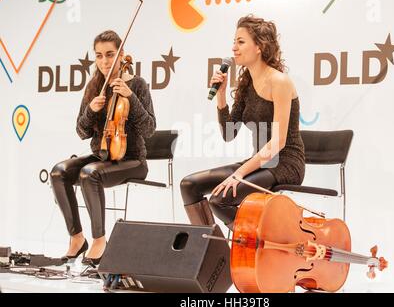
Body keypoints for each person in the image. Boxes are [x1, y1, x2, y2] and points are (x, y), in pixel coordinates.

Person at [180, 15, 305, 229]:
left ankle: (258, 247)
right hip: (260, 162)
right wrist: (220, 96)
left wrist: (239, 174)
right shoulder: (246, 83)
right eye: (234, 41)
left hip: (284, 163)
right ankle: (213, 254)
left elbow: (278, 142)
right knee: (189, 185)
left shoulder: (279, 81)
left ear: (259, 46)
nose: (234, 48)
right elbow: (229, 134)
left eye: (241, 41)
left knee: (219, 200)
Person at [50, 30, 156, 265]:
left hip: (132, 160)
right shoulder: (94, 86)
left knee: (90, 174)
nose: (105, 61)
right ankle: (77, 238)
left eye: (110, 55)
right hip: (102, 155)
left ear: (121, 56)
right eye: (99, 56)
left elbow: (149, 128)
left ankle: (100, 241)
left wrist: (132, 98)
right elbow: (81, 131)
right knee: (59, 172)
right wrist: (91, 111)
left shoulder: (137, 85)